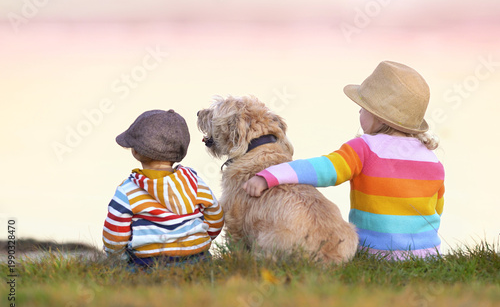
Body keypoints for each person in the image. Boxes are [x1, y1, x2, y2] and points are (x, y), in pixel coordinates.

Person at [243, 61, 445, 260]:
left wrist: (269, 176)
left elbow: (322, 169)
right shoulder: (432, 160)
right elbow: (436, 209)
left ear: (381, 117)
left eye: (363, 108)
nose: (359, 112)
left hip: (376, 254)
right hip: (427, 255)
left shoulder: (365, 148)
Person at [103, 109, 224, 268]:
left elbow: (115, 236)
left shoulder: (128, 191)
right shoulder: (194, 182)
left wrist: (121, 260)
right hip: (198, 261)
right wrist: (200, 241)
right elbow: (216, 216)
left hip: (148, 265)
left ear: (136, 151)